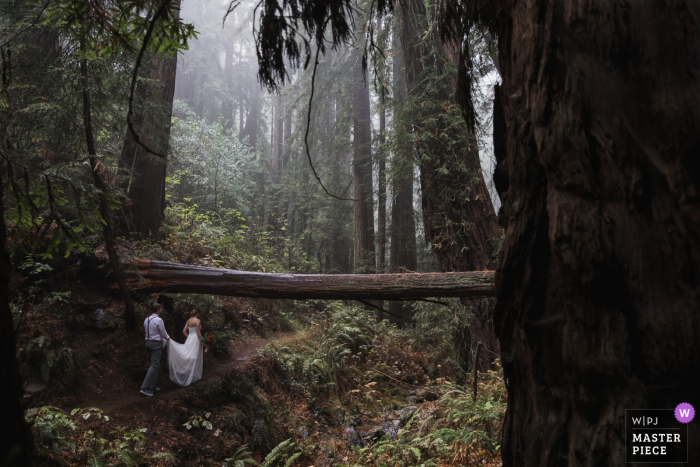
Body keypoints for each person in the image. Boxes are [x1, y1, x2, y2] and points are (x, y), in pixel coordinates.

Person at [167, 309, 204, 386]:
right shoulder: (198, 320)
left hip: (189, 339)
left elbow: (184, 331)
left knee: (188, 355)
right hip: (195, 339)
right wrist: (202, 339)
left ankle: (188, 374)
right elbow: (198, 332)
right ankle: (193, 376)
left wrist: (189, 337)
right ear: (197, 313)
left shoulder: (188, 321)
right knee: (195, 356)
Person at [140, 303, 170, 397]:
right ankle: (144, 388)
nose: (160, 311)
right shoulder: (158, 320)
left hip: (148, 343)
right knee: (154, 365)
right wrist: (169, 338)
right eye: (160, 309)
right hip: (156, 344)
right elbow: (163, 333)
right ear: (157, 309)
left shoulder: (146, 319)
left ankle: (152, 387)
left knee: (155, 365)